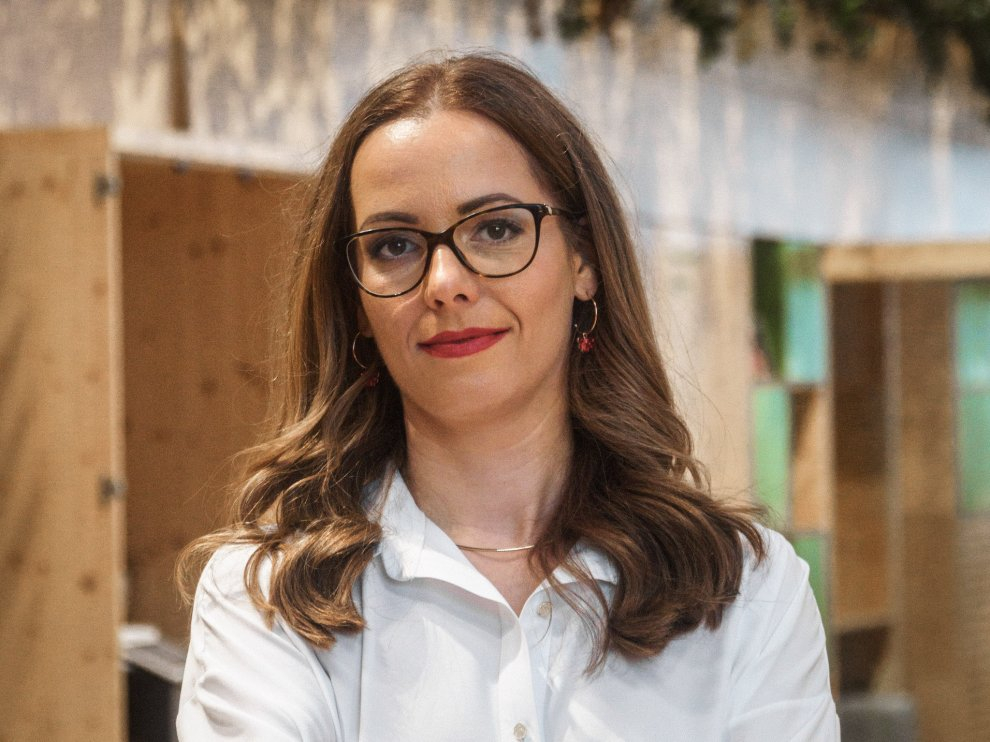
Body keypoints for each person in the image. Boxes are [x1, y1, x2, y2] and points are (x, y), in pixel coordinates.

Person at [176, 51, 839, 741]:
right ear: (356, 303)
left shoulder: (748, 593)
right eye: (395, 245)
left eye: (495, 229)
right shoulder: (266, 598)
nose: (444, 284)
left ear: (583, 260)